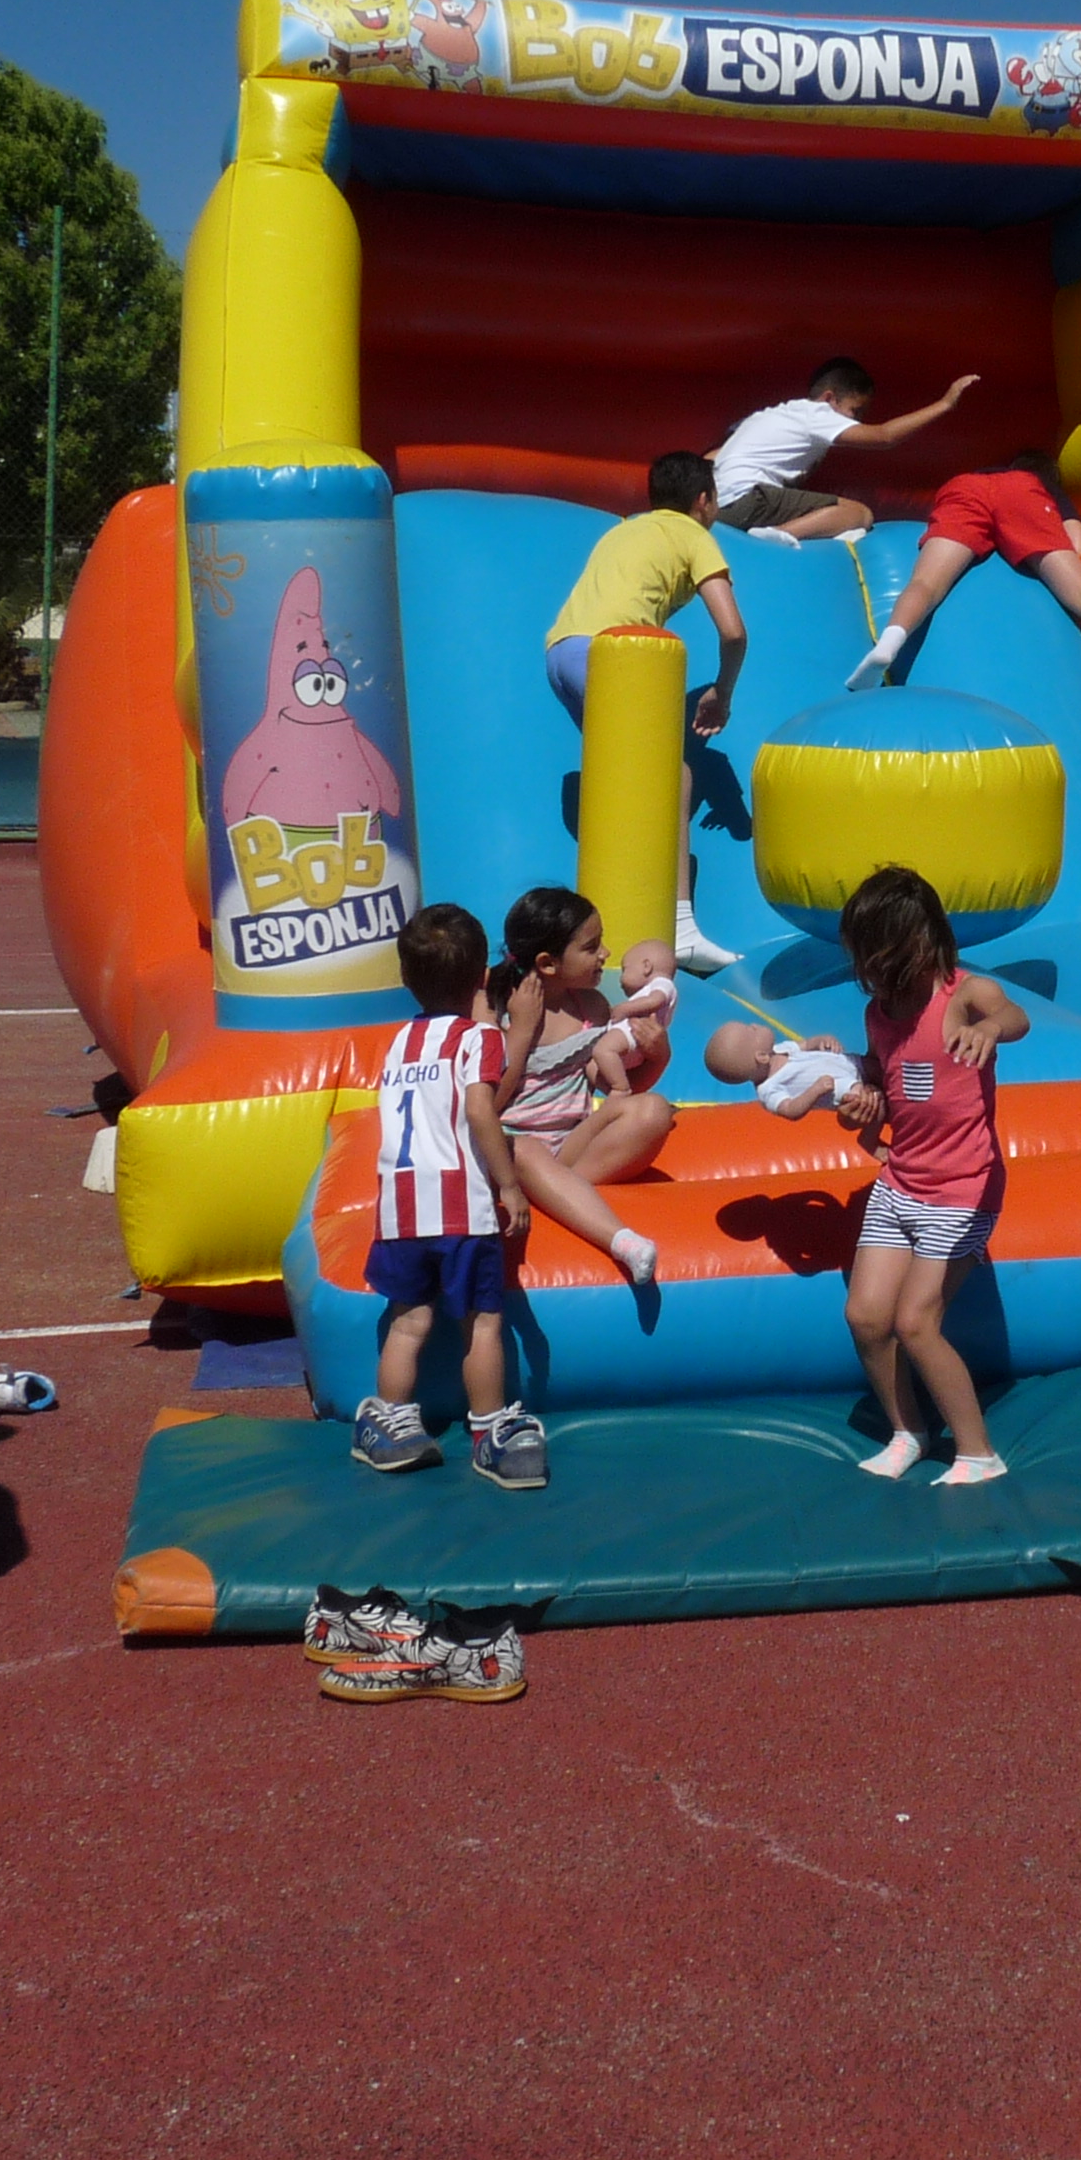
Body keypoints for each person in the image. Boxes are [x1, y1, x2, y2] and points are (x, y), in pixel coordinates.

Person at [831, 865, 1030, 1487]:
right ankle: (909, 1432)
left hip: (962, 1189)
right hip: (901, 1182)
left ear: (918, 943)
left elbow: (1015, 1015)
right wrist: (856, 1088)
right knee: (866, 1317)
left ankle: (978, 1453)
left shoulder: (963, 995)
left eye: (880, 954)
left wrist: (988, 1029)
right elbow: (888, 1077)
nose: (873, 971)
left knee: (916, 1322)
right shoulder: (879, 1013)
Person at [352, 903, 547, 1489]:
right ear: (482, 977)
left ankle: (388, 1420)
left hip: (400, 1206)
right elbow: (481, 1109)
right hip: (461, 1205)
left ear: (406, 977)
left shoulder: (398, 1042)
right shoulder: (478, 1039)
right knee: (482, 1324)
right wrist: (508, 1183)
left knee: (408, 1322)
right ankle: (488, 1431)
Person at [546, 452, 751, 973]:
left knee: (629, 781)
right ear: (703, 501)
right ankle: (679, 927)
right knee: (674, 777)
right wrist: (723, 693)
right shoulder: (693, 534)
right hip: (616, 656)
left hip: (562, 653)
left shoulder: (624, 530)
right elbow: (733, 631)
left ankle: (611, 930)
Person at [844, 452, 1081, 741]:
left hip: (964, 488)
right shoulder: (1041, 486)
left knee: (925, 583)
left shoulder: (979, 474)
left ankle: (888, 644)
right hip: (1022, 494)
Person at [491, 885, 678, 1296]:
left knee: (654, 1111)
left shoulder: (591, 1007)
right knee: (523, 1150)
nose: (606, 953)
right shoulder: (497, 1007)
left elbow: (615, 1087)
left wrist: (658, 1056)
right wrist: (520, 1032)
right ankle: (620, 1240)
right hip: (510, 1155)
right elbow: (489, 1104)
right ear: (548, 963)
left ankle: (556, 1190)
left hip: (571, 1148)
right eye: (591, 947)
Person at [709, 358, 981, 552]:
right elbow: (884, 436)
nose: (856, 420)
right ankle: (777, 536)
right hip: (746, 499)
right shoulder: (816, 413)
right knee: (859, 514)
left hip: (719, 507)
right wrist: (945, 404)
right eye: (855, 410)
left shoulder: (770, 416)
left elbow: (714, 457)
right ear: (829, 398)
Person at [704, 1019, 864, 1118]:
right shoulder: (768, 1090)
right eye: (751, 1030)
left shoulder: (779, 1050)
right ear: (761, 1057)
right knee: (861, 1094)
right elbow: (789, 1110)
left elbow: (806, 1044)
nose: (753, 1024)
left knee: (871, 1065)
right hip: (842, 1087)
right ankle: (868, 1130)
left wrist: (822, 1040)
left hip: (850, 1063)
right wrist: (815, 1091)